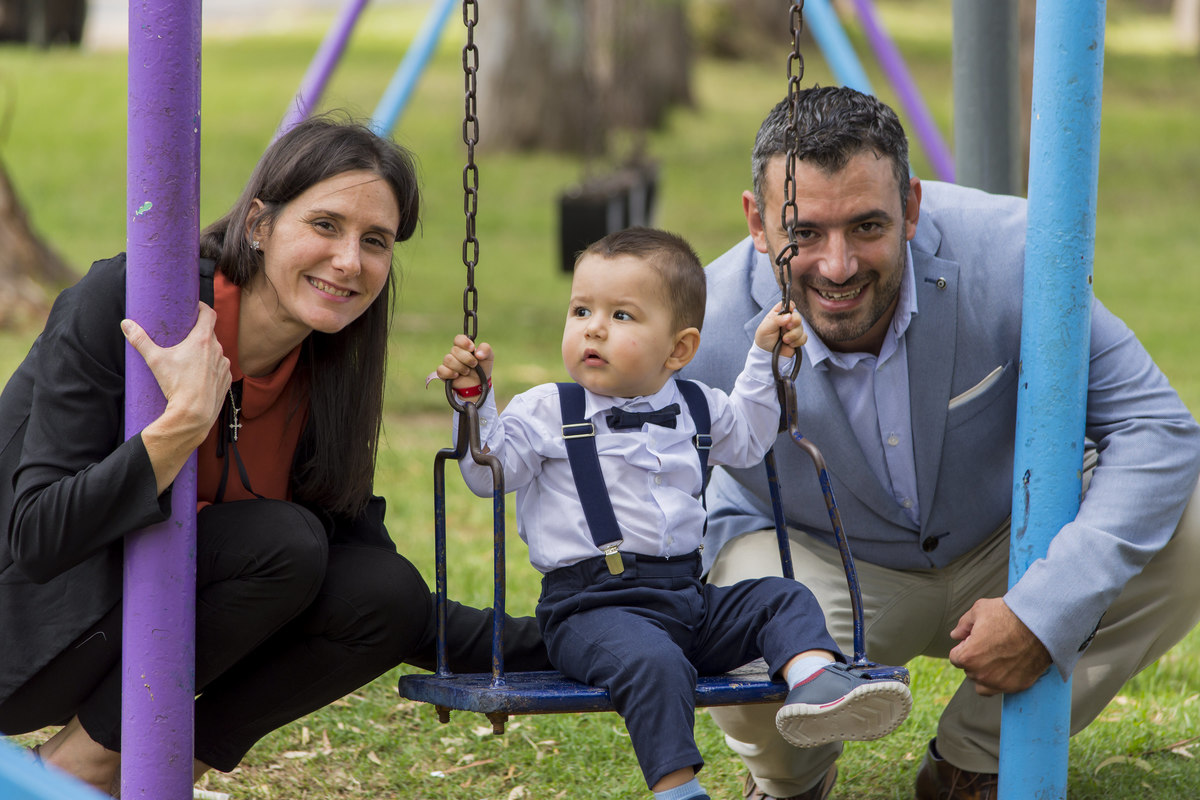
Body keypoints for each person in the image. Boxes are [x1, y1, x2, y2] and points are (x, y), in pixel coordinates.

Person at [0, 115, 548, 796]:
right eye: (325, 225)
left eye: (374, 241)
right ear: (259, 225)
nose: (350, 261)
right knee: (284, 543)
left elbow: (377, 588)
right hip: (20, 627)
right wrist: (179, 428)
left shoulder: (323, 369)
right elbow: (38, 536)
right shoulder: (131, 307)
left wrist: (583, 642)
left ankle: (157, 771)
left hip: (118, 642)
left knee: (383, 591)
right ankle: (79, 770)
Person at [680, 85, 1200, 800]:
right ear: (758, 222)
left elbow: (1158, 430)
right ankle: (790, 779)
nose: (837, 266)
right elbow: (603, 465)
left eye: (867, 226)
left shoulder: (1017, 254)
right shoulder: (699, 327)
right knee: (738, 624)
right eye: (805, 233)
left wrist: (1044, 608)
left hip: (1009, 546)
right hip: (821, 561)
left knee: (1191, 527)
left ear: (913, 208)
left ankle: (973, 762)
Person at [434, 227, 913, 800]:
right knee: (654, 661)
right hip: (590, 609)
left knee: (781, 597)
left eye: (622, 316)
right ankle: (677, 788)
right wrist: (474, 403)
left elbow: (750, 439)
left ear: (679, 350)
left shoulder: (696, 405)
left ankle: (816, 685)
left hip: (688, 600)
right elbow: (488, 472)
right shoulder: (547, 409)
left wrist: (765, 358)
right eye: (582, 309)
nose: (593, 327)